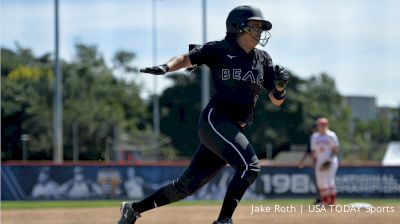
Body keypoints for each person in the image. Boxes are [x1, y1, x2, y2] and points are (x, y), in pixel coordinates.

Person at [118, 5, 290, 224]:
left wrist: (280, 87)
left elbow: (276, 101)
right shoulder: (219, 49)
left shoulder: (262, 59)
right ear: (238, 26)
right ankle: (224, 221)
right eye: (255, 26)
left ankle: (133, 209)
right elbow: (186, 58)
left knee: (185, 186)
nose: (260, 31)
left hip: (232, 129)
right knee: (250, 166)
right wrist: (165, 67)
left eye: (261, 27)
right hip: (215, 120)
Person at [311, 118, 339, 205]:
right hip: (319, 161)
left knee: (330, 180)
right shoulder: (315, 136)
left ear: (327, 125)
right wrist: (314, 162)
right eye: (320, 125)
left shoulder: (331, 135)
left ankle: (332, 202)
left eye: (323, 125)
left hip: (330, 160)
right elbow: (313, 151)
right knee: (321, 182)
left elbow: (335, 149)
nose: (321, 127)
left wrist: (329, 160)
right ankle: (325, 202)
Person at [298, 124, 321, 204]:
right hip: (316, 162)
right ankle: (319, 198)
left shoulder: (323, 137)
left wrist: (301, 161)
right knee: (316, 181)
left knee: (323, 181)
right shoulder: (313, 138)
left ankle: (323, 198)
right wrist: (302, 161)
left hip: (321, 162)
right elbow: (309, 150)